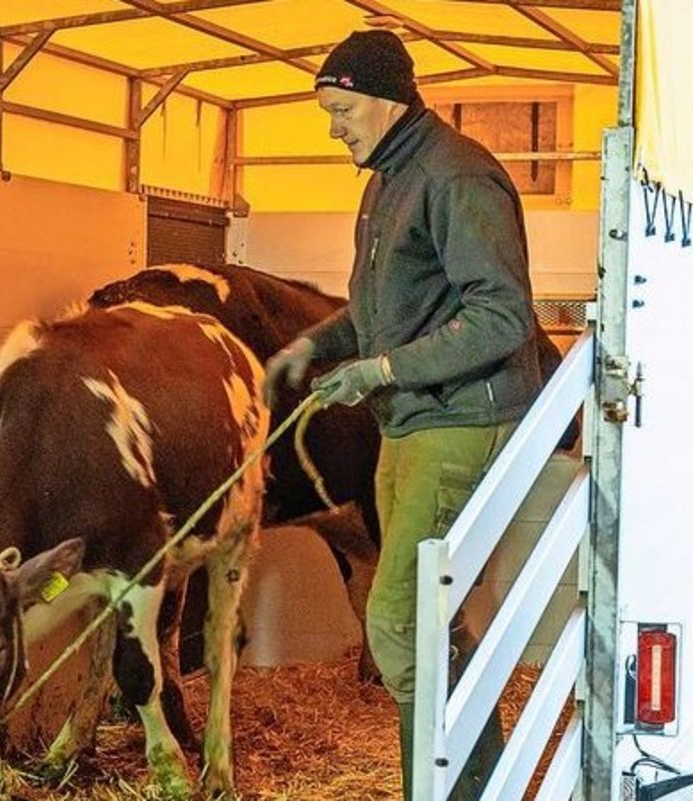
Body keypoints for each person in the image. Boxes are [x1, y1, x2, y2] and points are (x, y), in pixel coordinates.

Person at [261, 30, 542, 800]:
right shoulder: (388, 179)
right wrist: (312, 345)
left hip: (460, 416)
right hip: (411, 418)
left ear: (387, 100)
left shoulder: (457, 176)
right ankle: (475, 776)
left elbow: (503, 317)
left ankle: (446, 784)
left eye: (342, 108)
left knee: (395, 622)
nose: (333, 126)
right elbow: (378, 309)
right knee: (426, 618)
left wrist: (381, 370)